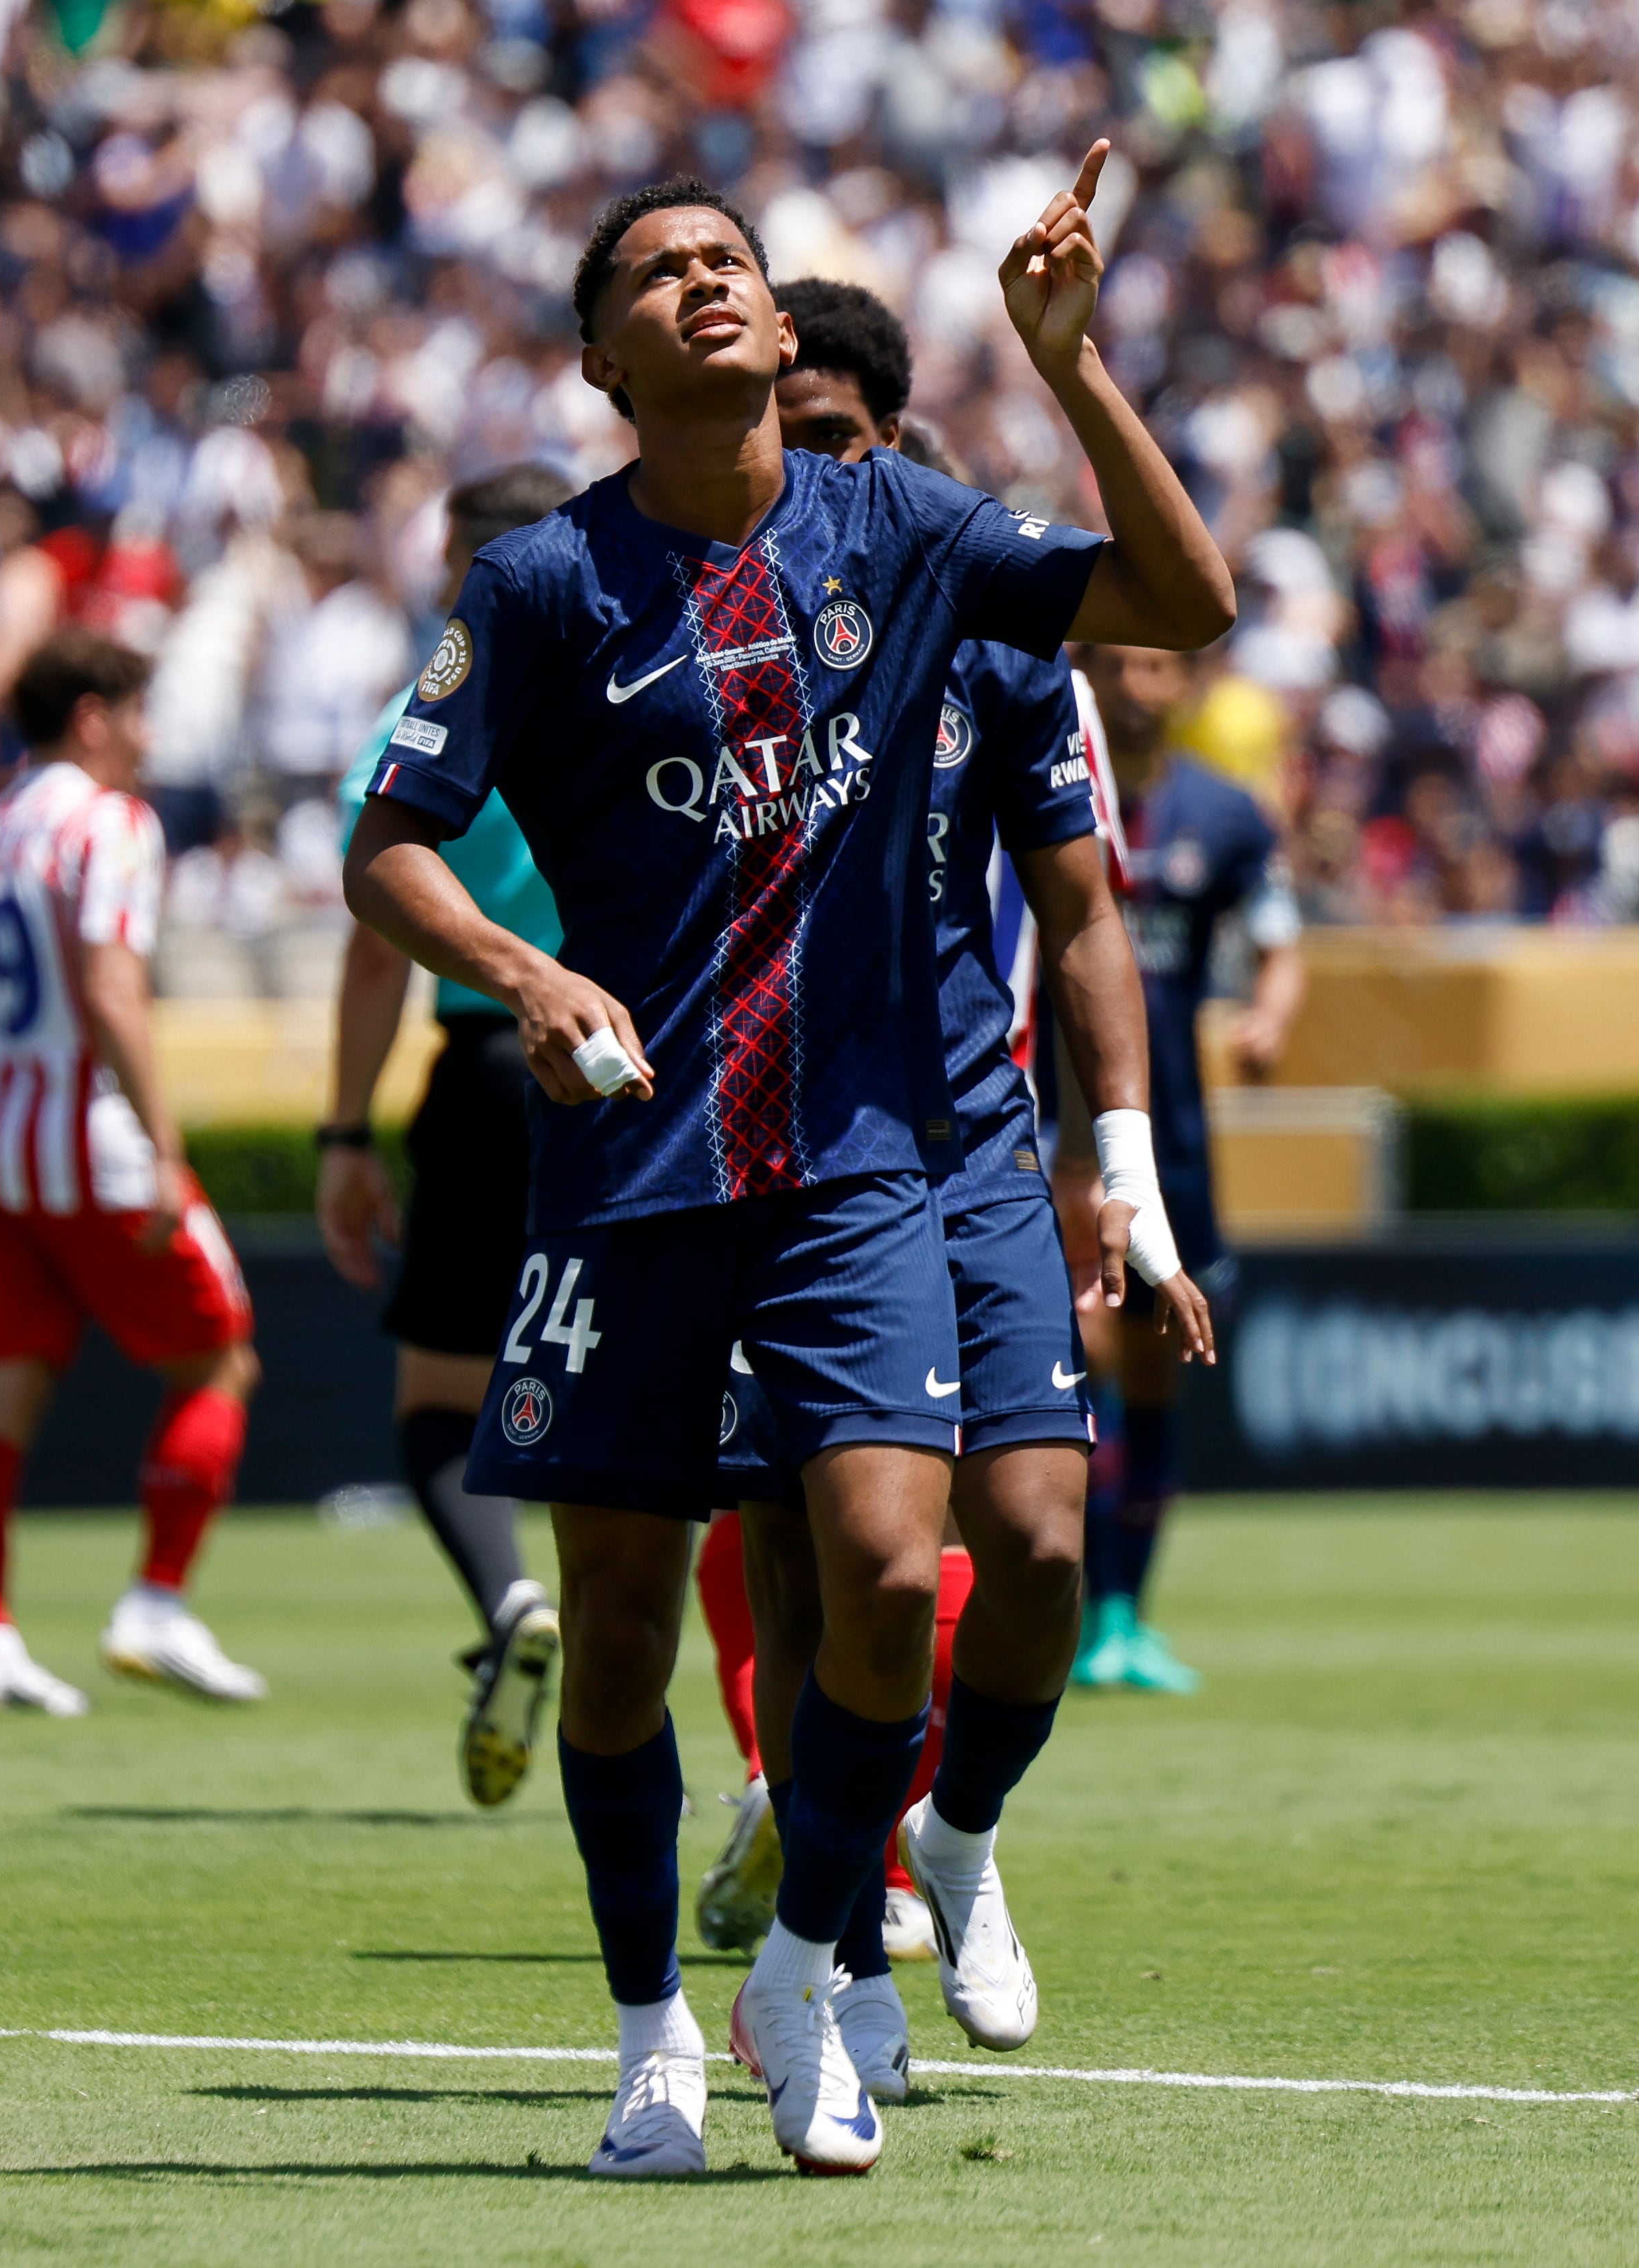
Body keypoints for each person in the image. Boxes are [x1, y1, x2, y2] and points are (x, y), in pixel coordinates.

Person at [342, 149, 1232, 2179]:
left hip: (859, 1169)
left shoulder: (904, 529)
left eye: (728, 261)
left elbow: (1184, 605)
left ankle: (823, 1961)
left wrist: (1075, 369)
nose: (707, 285)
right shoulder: (545, 587)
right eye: (658, 274)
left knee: (902, 1577)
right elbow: (387, 839)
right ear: (601, 356)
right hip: (633, 1174)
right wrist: (523, 972)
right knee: (630, 1632)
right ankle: (648, 2036)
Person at [686, 276, 1216, 2108]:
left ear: (886, 442)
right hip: (770, 1145)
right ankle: (826, 1959)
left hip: (977, 1146)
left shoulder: (983, 620)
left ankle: (961, 1842)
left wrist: (1121, 1173)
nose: (800, 464)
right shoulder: (697, 622)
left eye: (829, 435)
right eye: (778, 433)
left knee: (1043, 1544)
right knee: (834, 1569)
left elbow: (1082, 918)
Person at [0, 628, 266, 1715]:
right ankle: (155, 1602)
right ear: (91, 718)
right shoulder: (111, 823)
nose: (147, 737)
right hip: (94, 1144)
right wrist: (166, 1148)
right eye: (136, 714)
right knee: (219, 1365)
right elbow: (111, 986)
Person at [319, 463, 577, 1810]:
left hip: (489, 1067)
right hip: (637, 1066)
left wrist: (343, 1132)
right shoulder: (642, 674)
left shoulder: (433, 708)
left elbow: (377, 945)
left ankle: (512, 1593)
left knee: (440, 1395)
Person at [1053, 647, 1305, 1694]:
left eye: (1158, 670)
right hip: (1057, 1135)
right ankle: (1065, 1607)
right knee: (1080, 1360)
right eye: (1118, 668)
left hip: (1175, 1145)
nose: (1138, 689)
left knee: (1152, 1377)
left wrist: (1272, 1012)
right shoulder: (1044, 787)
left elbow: (1281, 940)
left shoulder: (1229, 815)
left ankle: (1122, 1617)